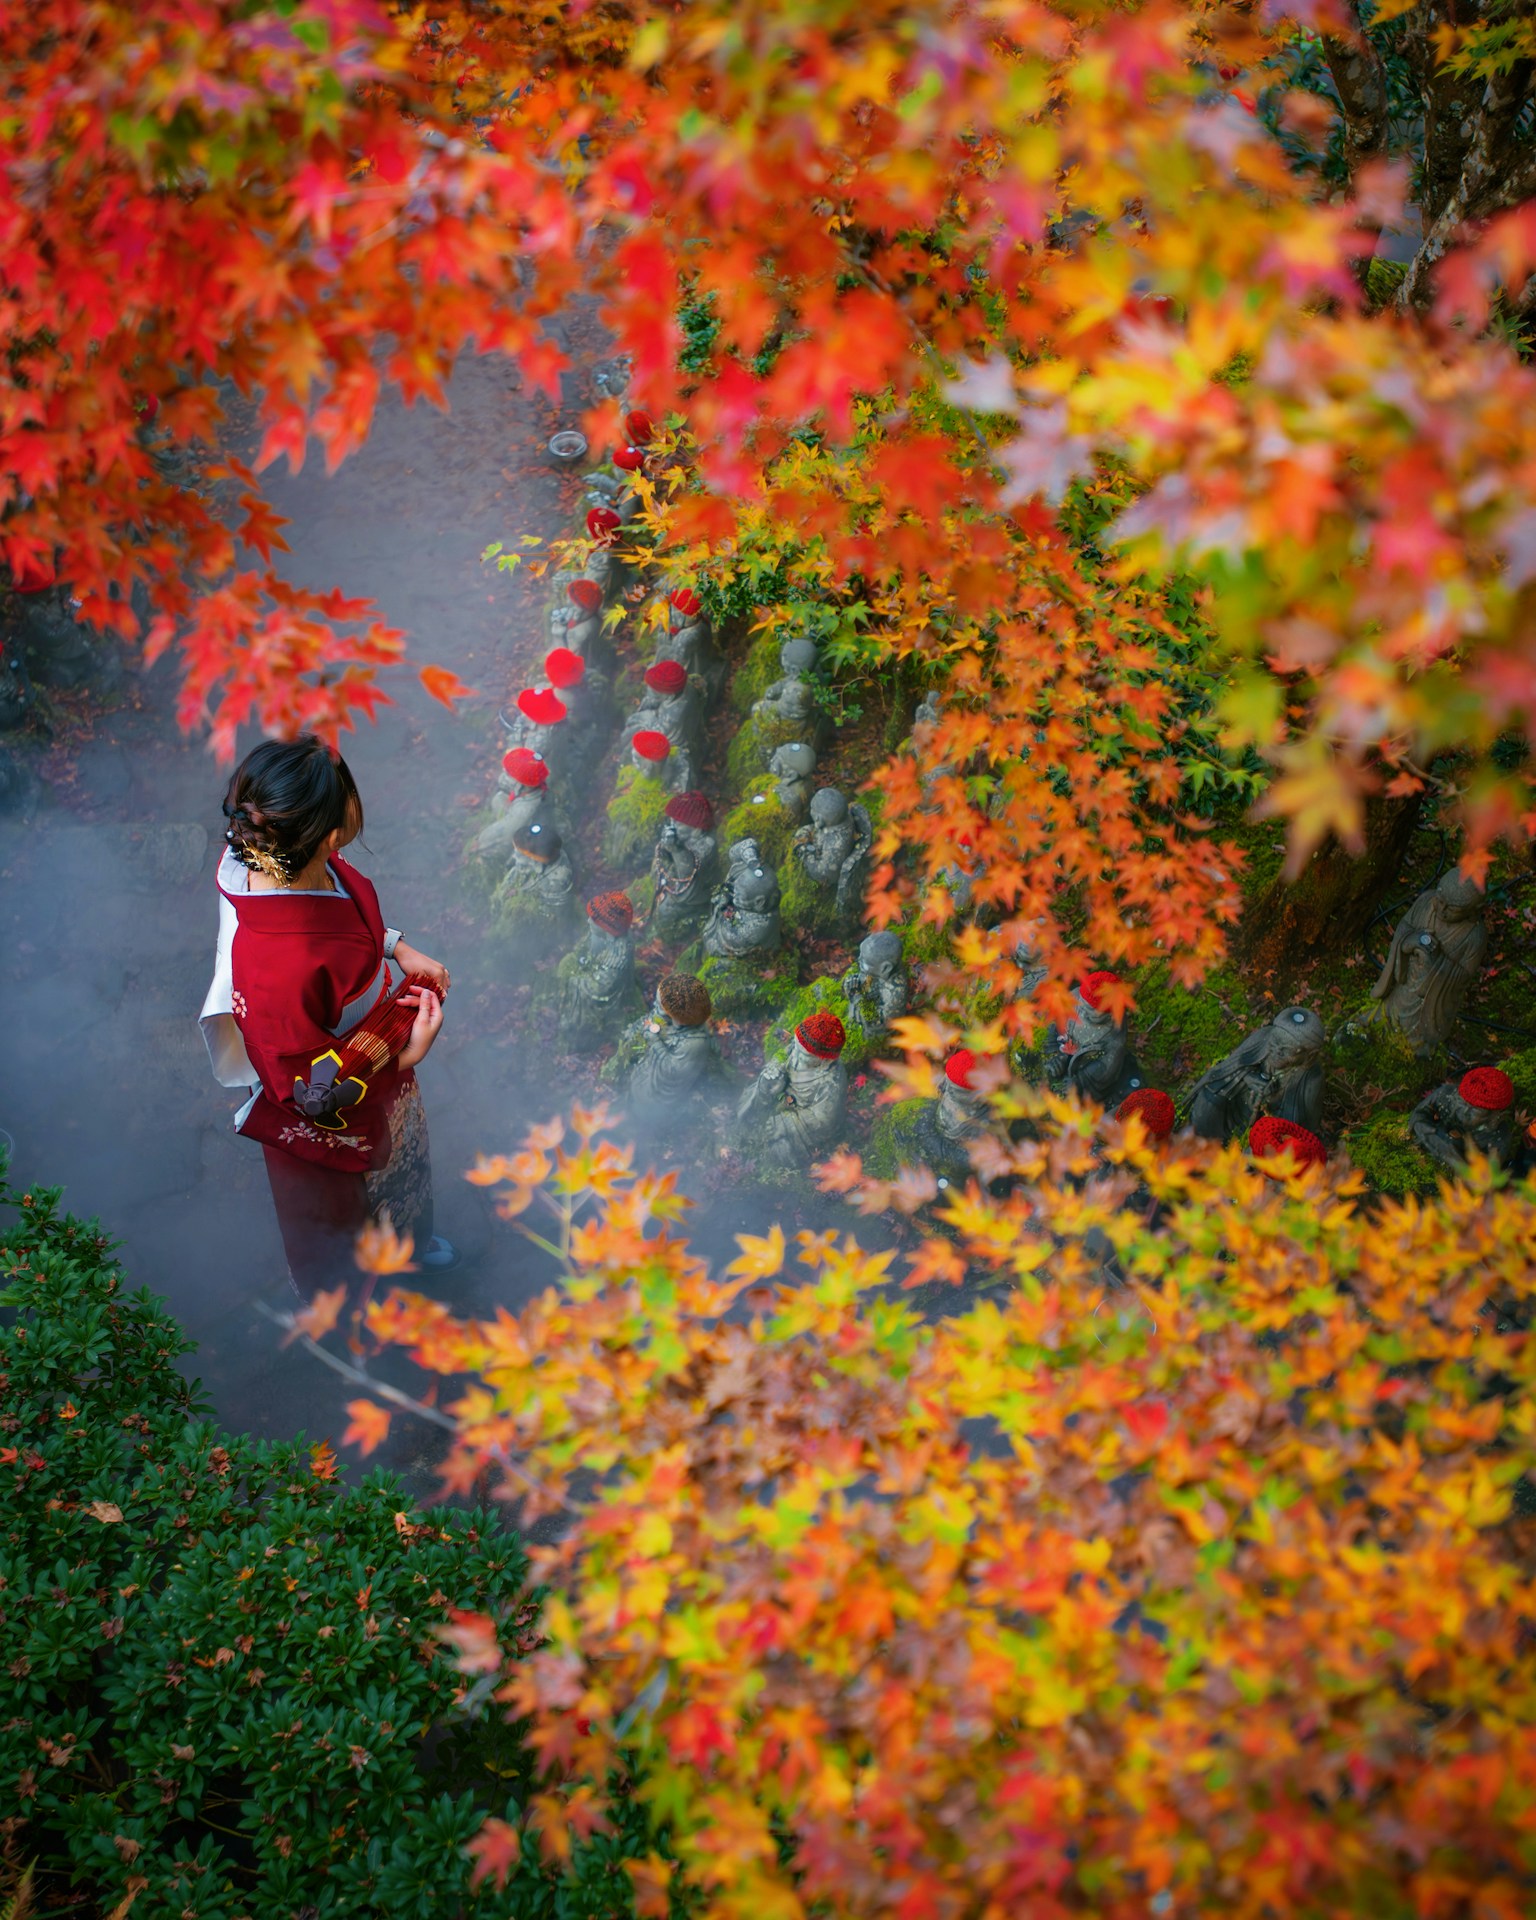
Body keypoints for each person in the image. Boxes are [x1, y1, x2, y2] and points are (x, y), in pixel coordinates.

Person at [199, 736, 456, 1298]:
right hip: (340, 1092)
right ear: (333, 832)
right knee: (345, 1216)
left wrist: (395, 948)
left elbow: (344, 921)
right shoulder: (276, 968)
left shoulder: (287, 856)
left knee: (402, 1167)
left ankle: (408, 1244)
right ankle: (354, 1311)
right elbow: (304, 1091)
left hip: (369, 1051)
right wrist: (402, 1055)